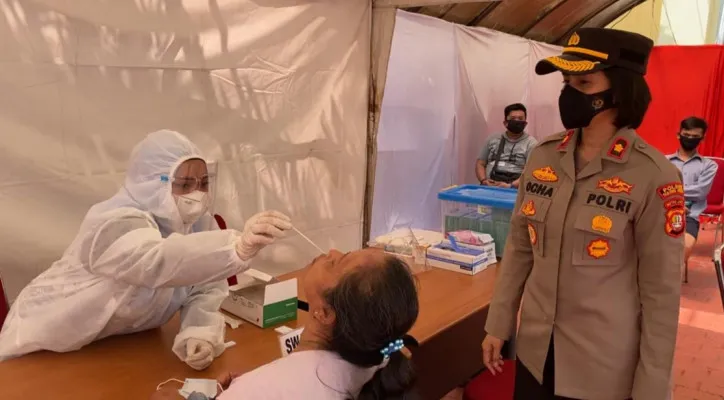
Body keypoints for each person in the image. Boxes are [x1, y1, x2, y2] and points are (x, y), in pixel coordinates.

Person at [481, 28, 683, 400]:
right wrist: (498, 323)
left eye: (584, 82)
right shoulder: (542, 157)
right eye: (566, 82)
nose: (569, 93)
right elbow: (520, 249)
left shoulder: (653, 175)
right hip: (535, 354)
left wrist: (653, 385)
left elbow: (661, 294)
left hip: (602, 369)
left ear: (619, 92)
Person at [0, 130, 292, 370]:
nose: (198, 194)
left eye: (203, 183)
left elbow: (206, 287)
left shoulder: (198, 224)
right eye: (185, 183)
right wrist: (236, 247)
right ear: (152, 182)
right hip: (46, 342)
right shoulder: (111, 222)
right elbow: (155, 261)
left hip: (119, 347)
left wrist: (199, 332)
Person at [152, 248, 419, 400]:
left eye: (338, 261)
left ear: (325, 314)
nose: (332, 251)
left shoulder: (276, 386)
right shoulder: (376, 354)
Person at [667, 117, 719, 271]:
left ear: (702, 139)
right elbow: (654, 189)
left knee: (683, 250)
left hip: (688, 217)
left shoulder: (709, 165)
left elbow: (700, 192)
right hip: (660, 213)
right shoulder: (663, 161)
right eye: (686, 135)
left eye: (695, 137)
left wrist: (671, 189)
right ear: (679, 135)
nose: (689, 139)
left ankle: (668, 288)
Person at [476, 103, 539, 189]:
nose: (517, 121)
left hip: (515, 190)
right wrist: (483, 181)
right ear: (505, 123)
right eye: (513, 119)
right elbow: (480, 163)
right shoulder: (492, 139)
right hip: (489, 186)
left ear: (525, 123)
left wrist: (511, 186)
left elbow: (531, 171)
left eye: (520, 119)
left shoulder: (531, 143)